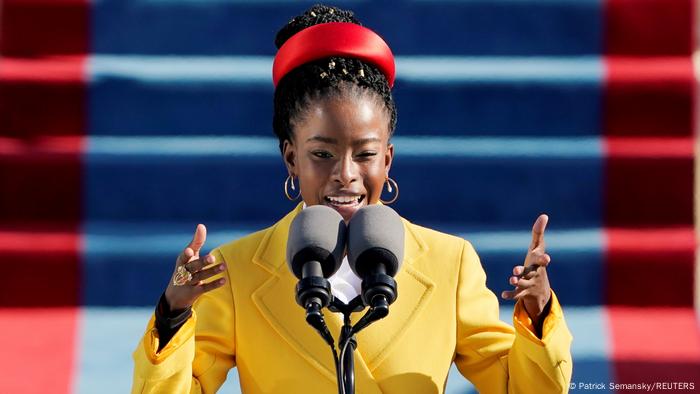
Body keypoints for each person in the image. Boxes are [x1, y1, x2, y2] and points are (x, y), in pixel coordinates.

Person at [131, 4, 573, 393]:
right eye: (322, 154)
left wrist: (537, 315)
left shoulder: (449, 263)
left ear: (388, 158)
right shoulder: (238, 272)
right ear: (291, 157)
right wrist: (173, 314)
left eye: (365, 154)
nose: (346, 175)